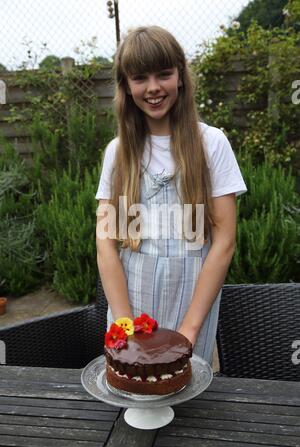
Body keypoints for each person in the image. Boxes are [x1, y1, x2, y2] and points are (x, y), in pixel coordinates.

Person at [95, 26, 247, 364]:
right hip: (130, 295)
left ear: (180, 75)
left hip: (193, 296)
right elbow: (106, 243)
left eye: (164, 74)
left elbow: (224, 240)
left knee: (185, 392)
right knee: (134, 392)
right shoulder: (118, 153)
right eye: (140, 78)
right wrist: (124, 323)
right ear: (125, 85)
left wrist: (189, 329)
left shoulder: (213, 144)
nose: (153, 88)